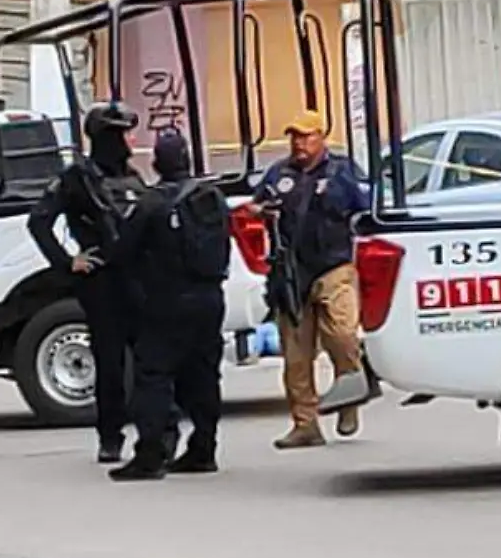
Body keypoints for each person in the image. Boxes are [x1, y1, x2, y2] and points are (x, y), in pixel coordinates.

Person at [26, 103, 148, 463]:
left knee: (147, 361)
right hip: (103, 282)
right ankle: (110, 437)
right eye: (124, 133)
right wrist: (68, 263)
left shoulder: (131, 177)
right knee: (109, 364)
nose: (131, 140)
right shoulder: (77, 178)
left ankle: (152, 433)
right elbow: (39, 223)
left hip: (138, 279)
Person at [106, 132, 230, 481]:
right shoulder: (213, 197)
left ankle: (150, 454)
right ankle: (204, 448)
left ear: (157, 162)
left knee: (153, 376)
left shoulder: (152, 203)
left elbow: (123, 251)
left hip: (167, 300)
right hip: (210, 297)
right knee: (205, 374)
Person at [255, 109, 368, 449]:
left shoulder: (342, 171)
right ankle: (305, 424)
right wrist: (262, 211)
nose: (299, 144)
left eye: (306, 137)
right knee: (296, 355)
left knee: (342, 336)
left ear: (321, 137)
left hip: (334, 267)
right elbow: (255, 205)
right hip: (292, 274)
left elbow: (365, 206)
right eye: (294, 137)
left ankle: (349, 400)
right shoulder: (279, 173)